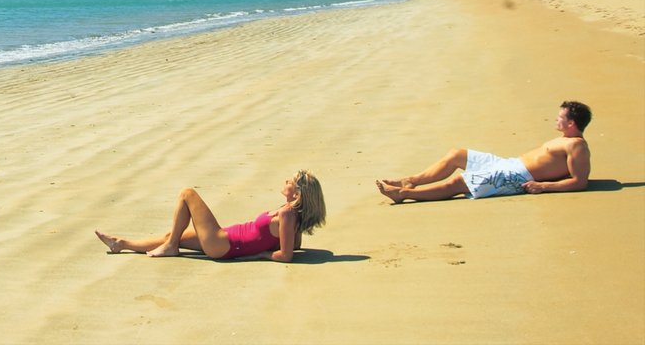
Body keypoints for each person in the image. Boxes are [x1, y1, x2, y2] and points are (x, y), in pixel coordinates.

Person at [376, 101, 592, 203]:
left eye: (560, 117)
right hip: (509, 164)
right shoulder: (566, 139)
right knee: (456, 154)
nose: (556, 119)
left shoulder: (577, 146)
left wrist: (543, 186)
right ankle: (409, 181)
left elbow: (579, 181)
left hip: (517, 177)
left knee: (460, 183)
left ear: (571, 123)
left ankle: (404, 194)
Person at [95, 170, 326, 262]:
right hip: (224, 238)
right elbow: (294, 244)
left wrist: (262, 254)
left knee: (187, 194)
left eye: (290, 182)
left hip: (224, 244)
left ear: (298, 192)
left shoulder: (287, 215)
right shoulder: (289, 214)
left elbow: (286, 255)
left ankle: (171, 247)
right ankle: (121, 244)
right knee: (171, 234)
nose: (286, 182)